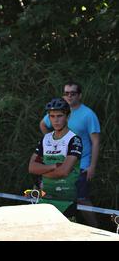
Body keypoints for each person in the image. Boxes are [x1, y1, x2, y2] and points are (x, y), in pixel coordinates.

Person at [39, 81, 100, 227]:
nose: (69, 96)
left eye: (72, 93)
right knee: (56, 197)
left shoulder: (88, 115)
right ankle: (61, 228)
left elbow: (96, 142)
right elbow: (43, 124)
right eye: (66, 93)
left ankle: (98, 230)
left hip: (81, 166)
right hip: (59, 164)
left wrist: (92, 166)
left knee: (82, 199)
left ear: (79, 95)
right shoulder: (59, 110)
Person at [29, 98, 82, 218]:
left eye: (59, 116)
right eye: (52, 116)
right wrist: (54, 166)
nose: (56, 120)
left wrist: (42, 171)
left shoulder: (74, 140)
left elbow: (63, 171)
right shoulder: (45, 139)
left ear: (67, 117)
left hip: (65, 201)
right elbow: (32, 167)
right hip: (44, 200)